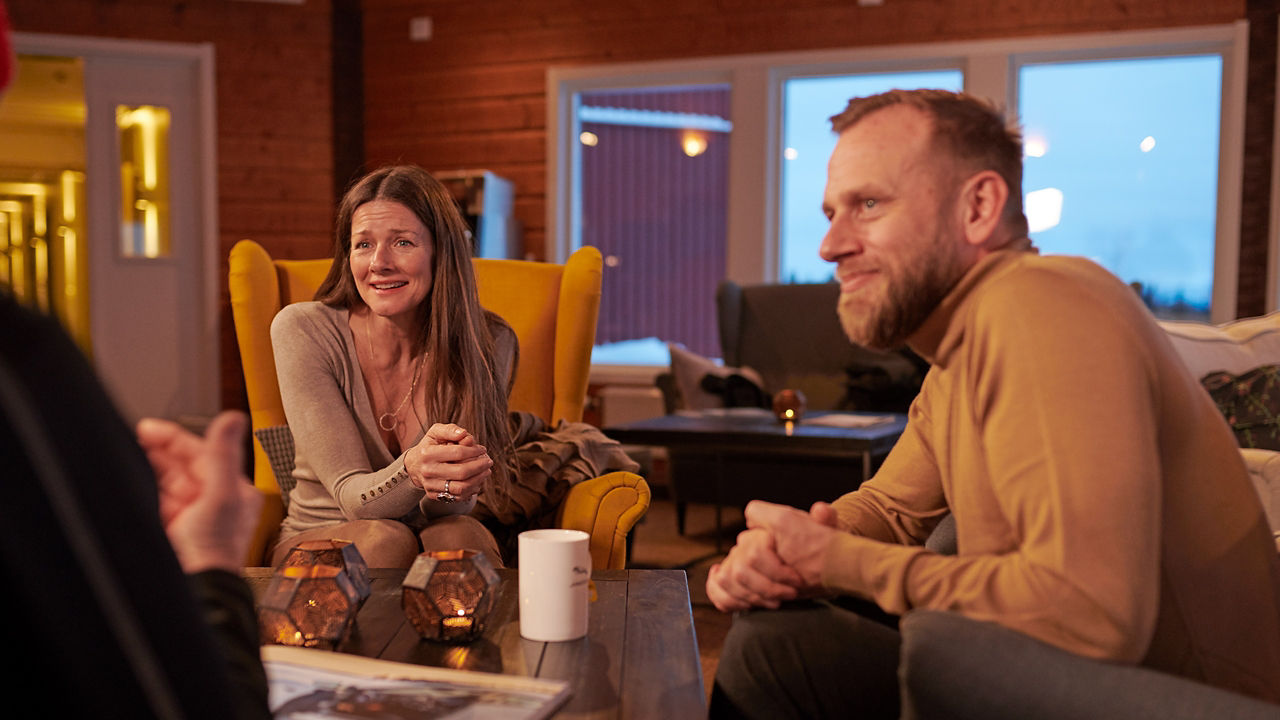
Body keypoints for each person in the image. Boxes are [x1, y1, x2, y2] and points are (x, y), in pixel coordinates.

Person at [706, 88, 1280, 718]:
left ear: (978, 207)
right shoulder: (958, 356)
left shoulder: (1039, 305)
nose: (830, 245)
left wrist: (838, 562)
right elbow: (888, 509)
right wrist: (790, 549)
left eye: (868, 204)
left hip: (1198, 701)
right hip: (1083, 678)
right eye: (830, 213)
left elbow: (1094, 613)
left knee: (869, 649)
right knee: (782, 644)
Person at [269, 164, 516, 568]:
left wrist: (456, 486)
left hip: (429, 530)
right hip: (321, 533)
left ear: (442, 250)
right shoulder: (303, 329)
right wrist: (415, 471)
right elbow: (351, 498)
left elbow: (449, 509)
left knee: (460, 538)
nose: (379, 263)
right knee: (387, 540)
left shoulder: (489, 341)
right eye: (363, 245)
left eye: (402, 242)